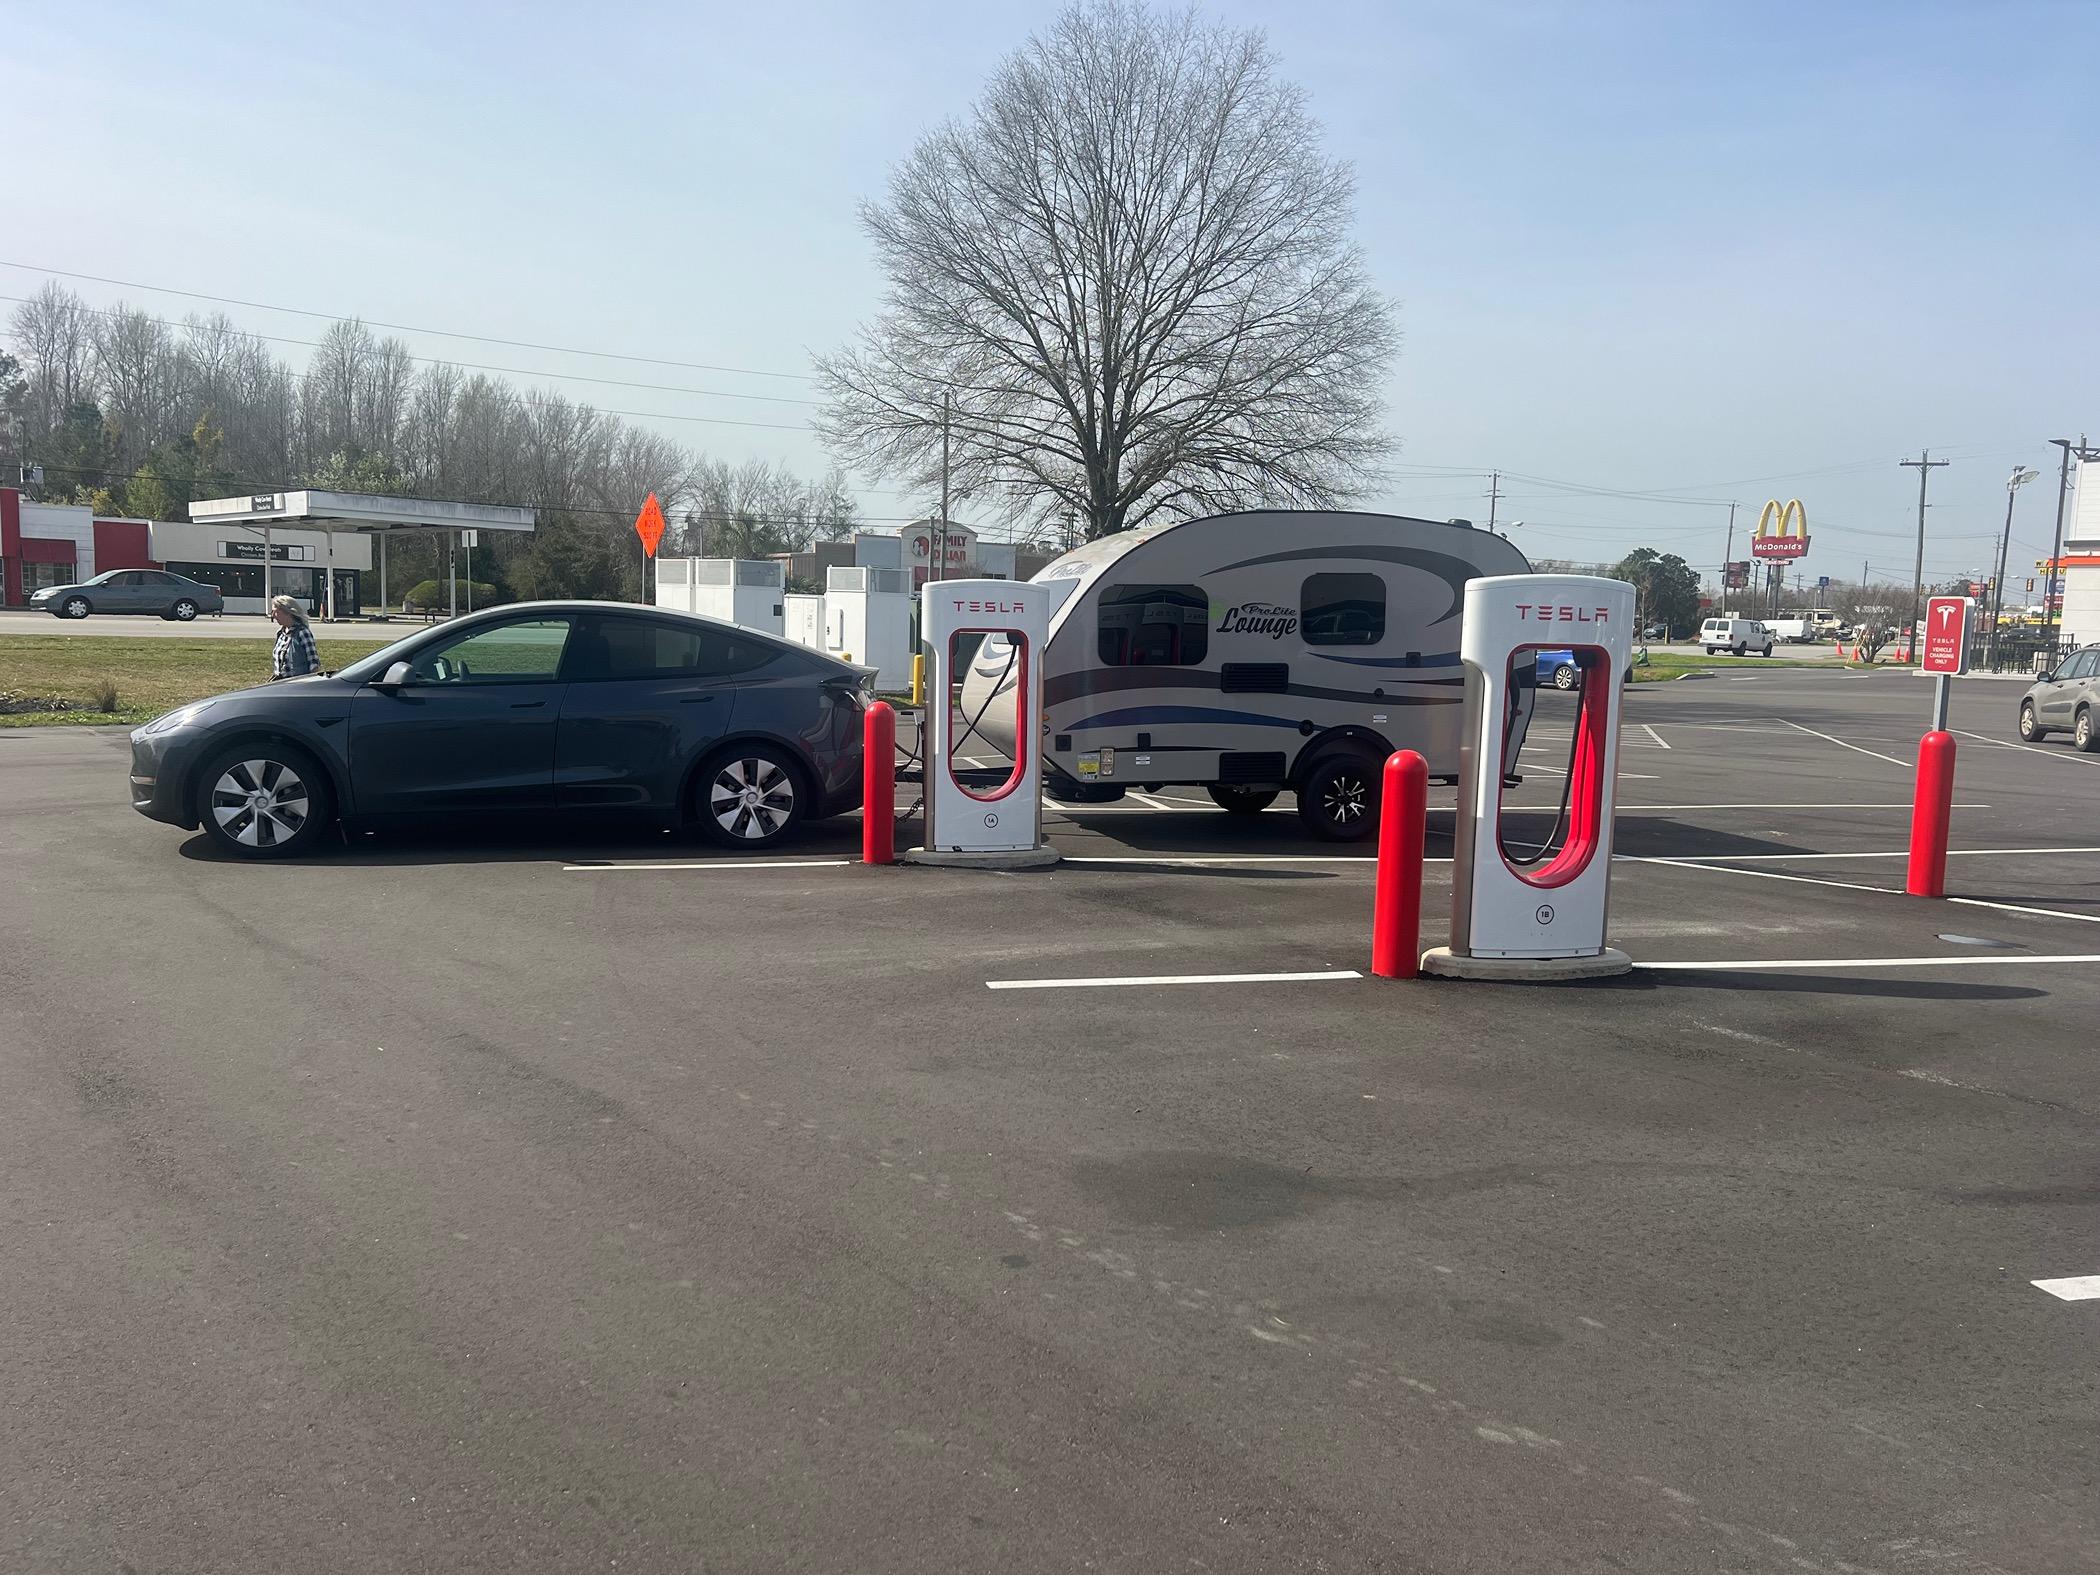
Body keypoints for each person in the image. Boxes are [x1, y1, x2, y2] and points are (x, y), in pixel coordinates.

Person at [269, 594, 320, 681]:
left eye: (275, 612)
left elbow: (313, 663)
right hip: (280, 684)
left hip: (296, 686)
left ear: (287, 612)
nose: (273, 616)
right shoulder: (281, 633)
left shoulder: (303, 633)